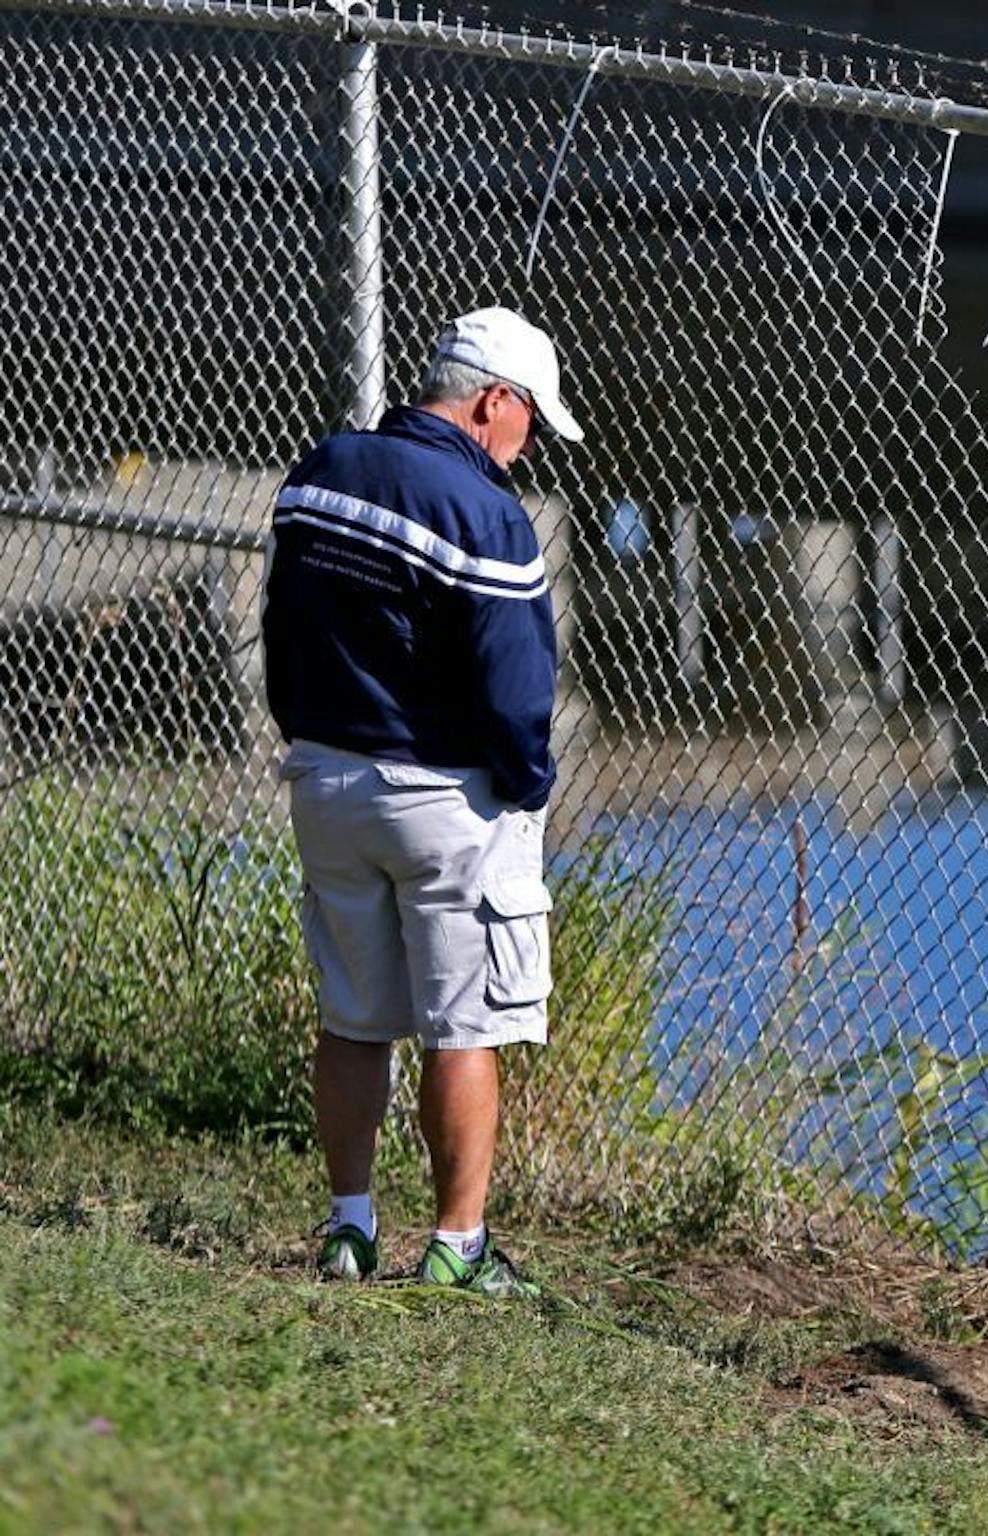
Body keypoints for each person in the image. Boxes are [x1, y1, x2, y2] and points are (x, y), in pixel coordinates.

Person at [262, 307, 585, 1295]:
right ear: (495, 400)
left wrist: (314, 742)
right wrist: (524, 788)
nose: (528, 442)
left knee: (355, 1014)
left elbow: (281, 618)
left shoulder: (324, 468)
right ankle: (457, 1247)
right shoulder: (483, 515)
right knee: (464, 1025)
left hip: (326, 776)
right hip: (444, 799)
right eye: (530, 416)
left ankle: (349, 1229)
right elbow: (516, 689)